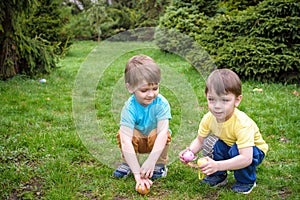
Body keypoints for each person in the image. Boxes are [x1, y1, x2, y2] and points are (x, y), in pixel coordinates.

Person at [179, 69, 268, 194]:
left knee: (236, 151)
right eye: (212, 99)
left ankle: (246, 181)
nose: (217, 106)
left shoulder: (242, 123)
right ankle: (219, 176)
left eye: (225, 100)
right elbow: (200, 140)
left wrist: (218, 164)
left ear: (237, 100)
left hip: (253, 150)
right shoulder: (209, 118)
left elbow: (246, 158)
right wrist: (190, 152)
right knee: (216, 145)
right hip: (231, 145)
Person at [113, 54, 172, 193]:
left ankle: (159, 165)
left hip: (155, 141)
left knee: (161, 133)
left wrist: (151, 161)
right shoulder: (129, 107)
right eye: (144, 90)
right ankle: (128, 164)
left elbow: (163, 133)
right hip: (136, 142)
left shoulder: (161, 104)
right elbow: (126, 140)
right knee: (123, 133)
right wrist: (137, 174)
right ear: (130, 88)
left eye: (155, 88)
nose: (151, 94)